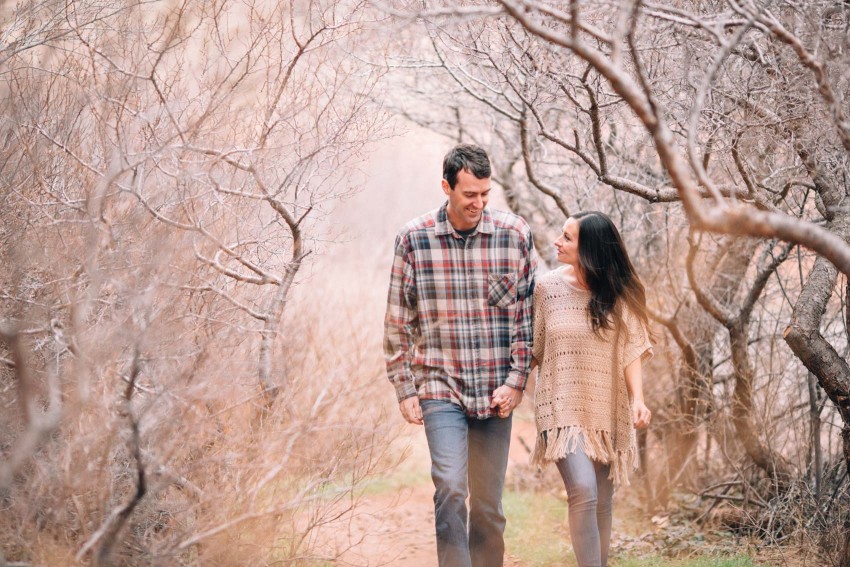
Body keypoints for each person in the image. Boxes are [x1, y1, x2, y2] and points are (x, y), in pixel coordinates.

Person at [383, 143, 536, 567]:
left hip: (495, 391)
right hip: (440, 385)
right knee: (450, 486)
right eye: (470, 194)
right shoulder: (414, 239)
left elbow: (526, 318)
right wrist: (404, 389)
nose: (479, 203)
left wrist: (516, 380)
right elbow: (398, 320)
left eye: (486, 194)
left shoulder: (514, 234)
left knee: (488, 504)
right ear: (446, 187)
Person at [531, 211, 653, 567]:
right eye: (561, 234)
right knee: (583, 490)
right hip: (560, 408)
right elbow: (533, 349)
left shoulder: (618, 292)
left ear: (591, 250)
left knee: (602, 498)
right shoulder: (547, 289)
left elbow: (631, 349)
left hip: (604, 409)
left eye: (568, 237)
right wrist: (507, 387)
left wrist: (639, 400)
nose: (558, 241)